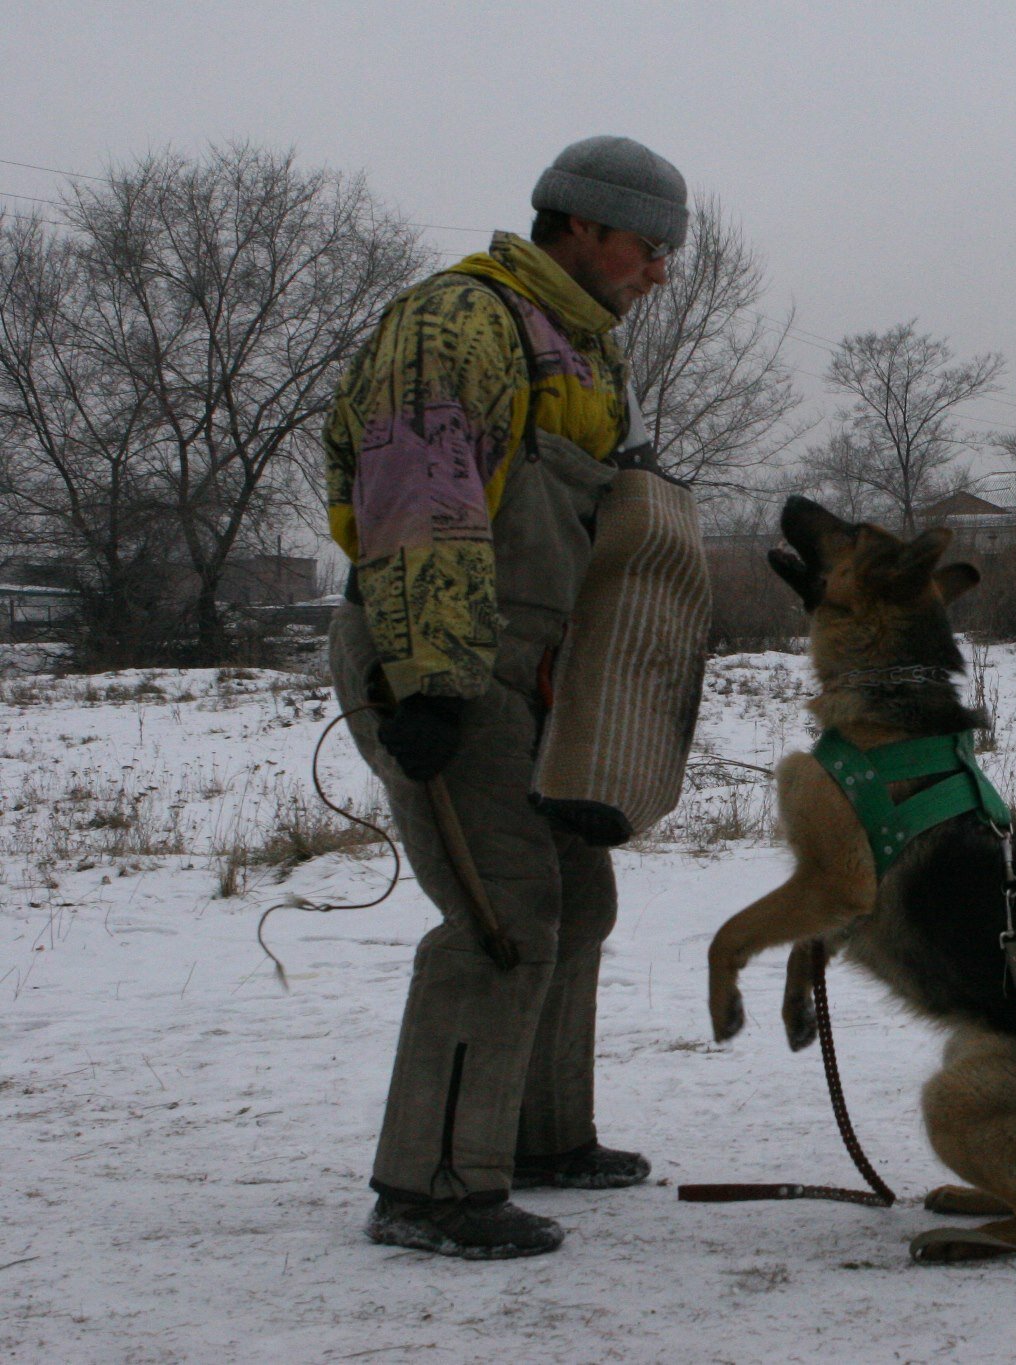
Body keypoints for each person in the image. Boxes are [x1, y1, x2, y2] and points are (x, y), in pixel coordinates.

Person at [323, 136, 687, 1259]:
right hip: (442, 657)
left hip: (537, 674)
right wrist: (428, 683)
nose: (658, 270)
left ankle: (538, 1137)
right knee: (499, 918)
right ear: (579, 225)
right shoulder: (458, 323)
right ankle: (432, 1183)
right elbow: (418, 498)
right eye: (647, 244)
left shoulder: (578, 351)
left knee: (578, 902)